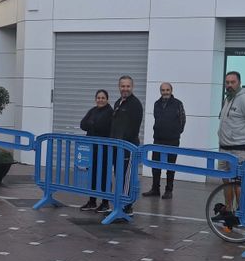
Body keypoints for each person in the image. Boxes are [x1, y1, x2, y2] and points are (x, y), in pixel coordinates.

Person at [216, 70, 245, 213]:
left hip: (240, 150)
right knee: (226, 181)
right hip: (224, 149)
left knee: (238, 183)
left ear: (239, 83)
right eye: (227, 82)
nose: (229, 85)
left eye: (233, 82)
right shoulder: (227, 99)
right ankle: (229, 210)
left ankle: (240, 214)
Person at [109, 75, 144, 216]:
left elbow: (133, 128)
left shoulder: (135, 104)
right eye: (122, 86)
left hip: (128, 148)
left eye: (128, 86)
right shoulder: (118, 103)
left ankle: (127, 207)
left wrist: (122, 143)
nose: (125, 89)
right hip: (117, 148)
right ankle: (119, 205)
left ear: (132, 87)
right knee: (119, 176)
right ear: (119, 87)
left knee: (127, 177)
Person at [146, 81, 186, 199]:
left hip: (172, 140)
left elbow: (182, 120)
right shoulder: (156, 104)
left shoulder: (178, 103)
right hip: (158, 139)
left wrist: (176, 132)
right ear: (160, 91)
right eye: (163, 90)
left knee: (170, 166)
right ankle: (155, 189)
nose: (165, 92)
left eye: (167, 90)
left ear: (171, 91)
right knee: (155, 165)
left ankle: (169, 190)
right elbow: (156, 118)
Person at [79, 89, 114, 212]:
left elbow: (103, 127)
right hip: (92, 150)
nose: (100, 100)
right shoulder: (92, 110)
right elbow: (82, 124)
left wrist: (92, 124)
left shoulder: (110, 112)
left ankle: (105, 203)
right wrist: (92, 123)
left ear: (107, 99)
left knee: (104, 176)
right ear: (95, 99)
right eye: (98, 98)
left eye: (103, 98)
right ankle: (92, 201)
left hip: (104, 150)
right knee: (92, 175)